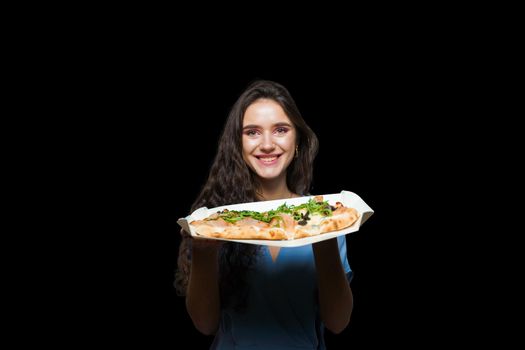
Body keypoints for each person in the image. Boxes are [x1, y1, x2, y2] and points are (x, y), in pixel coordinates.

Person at [175, 80, 353, 349]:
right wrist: (203, 252)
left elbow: (337, 323)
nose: (267, 144)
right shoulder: (220, 220)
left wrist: (325, 234)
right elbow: (205, 324)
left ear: (298, 141)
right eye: (253, 132)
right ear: (239, 143)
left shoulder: (323, 214)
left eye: (280, 130)